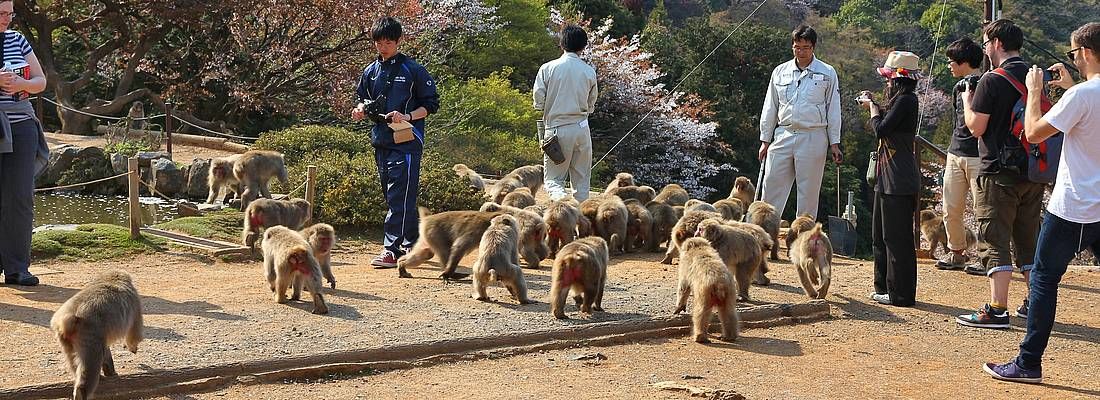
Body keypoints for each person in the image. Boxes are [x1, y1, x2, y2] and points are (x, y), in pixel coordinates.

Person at [984, 22, 1100, 384]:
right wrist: (1069, 89)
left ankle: (1028, 362)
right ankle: (1027, 361)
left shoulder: (1081, 97)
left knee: (1045, 281)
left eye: (1072, 53)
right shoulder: (1080, 94)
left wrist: (1034, 92)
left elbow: (1033, 132)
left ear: (1084, 52)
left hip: (1073, 206)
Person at [956, 19, 1039, 329]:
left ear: (998, 44)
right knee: (1028, 241)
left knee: (995, 239)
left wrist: (967, 101)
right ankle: (1035, 303)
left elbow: (977, 127)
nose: (985, 48)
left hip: (998, 172)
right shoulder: (1033, 75)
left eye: (987, 42)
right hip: (1031, 172)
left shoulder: (992, 80)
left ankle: (997, 309)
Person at [351, 17, 439, 269]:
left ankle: (391, 249)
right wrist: (359, 110)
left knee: (399, 194)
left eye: (388, 42)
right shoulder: (370, 71)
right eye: (378, 42)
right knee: (394, 196)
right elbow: (362, 99)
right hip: (381, 139)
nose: (383, 47)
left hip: (408, 141)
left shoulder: (414, 70)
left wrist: (407, 115)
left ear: (399, 41)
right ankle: (414, 243)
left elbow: (431, 105)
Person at [759, 25, 842, 220]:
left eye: (805, 47)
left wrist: (834, 142)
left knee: (808, 192)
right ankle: (763, 232)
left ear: (813, 47)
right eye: (797, 47)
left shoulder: (827, 72)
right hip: (784, 133)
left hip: (814, 135)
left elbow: (833, 109)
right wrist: (765, 139)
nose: (801, 51)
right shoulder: (780, 71)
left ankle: (804, 240)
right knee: (771, 186)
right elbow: (770, 106)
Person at [858, 51, 921, 307]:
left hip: (899, 178)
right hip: (888, 177)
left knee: (897, 240)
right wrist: (874, 105)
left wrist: (873, 110)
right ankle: (884, 287)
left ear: (898, 80)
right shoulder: (901, 101)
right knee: (880, 236)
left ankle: (901, 295)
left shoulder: (907, 100)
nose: (886, 83)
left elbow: (881, 128)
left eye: (889, 78)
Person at [0, 0, 48, 287]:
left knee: (20, 197)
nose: (6, 19)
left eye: (10, 13)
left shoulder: (18, 39)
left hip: (21, 125)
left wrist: (21, 84)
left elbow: (41, 82)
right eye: (1, 13)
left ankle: (17, 268)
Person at [533, 24, 598, 201]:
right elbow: (591, 104)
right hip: (581, 129)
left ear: (561, 44)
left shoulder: (547, 68)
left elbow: (538, 100)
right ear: (584, 47)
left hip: (555, 130)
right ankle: (580, 218)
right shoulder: (589, 71)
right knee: (582, 181)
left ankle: (563, 206)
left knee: (554, 180)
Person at [936, 38, 985, 270]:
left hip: (979, 155)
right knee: (950, 207)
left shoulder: (986, 83)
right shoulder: (959, 86)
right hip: (955, 152)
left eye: (951, 62)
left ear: (964, 62)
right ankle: (956, 252)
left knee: (983, 210)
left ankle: (986, 258)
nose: (949, 66)